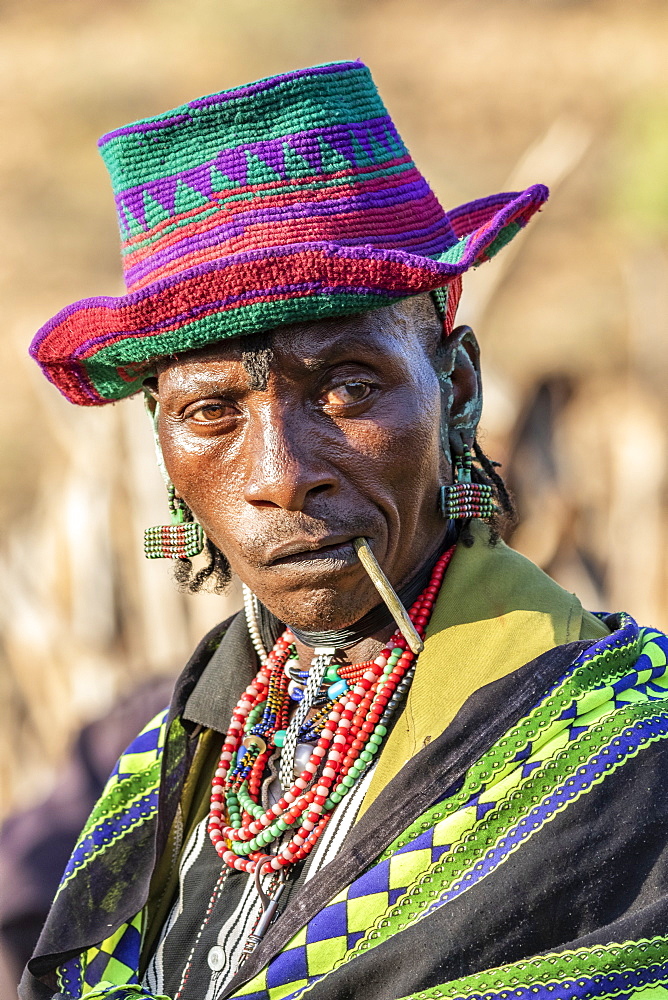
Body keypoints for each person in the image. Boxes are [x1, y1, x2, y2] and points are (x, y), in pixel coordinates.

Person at [22, 61, 668, 1000]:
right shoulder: (171, 757)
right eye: (212, 413)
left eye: (351, 385)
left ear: (457, 389)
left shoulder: (626, 757)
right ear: (158, 445)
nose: (283, 476)